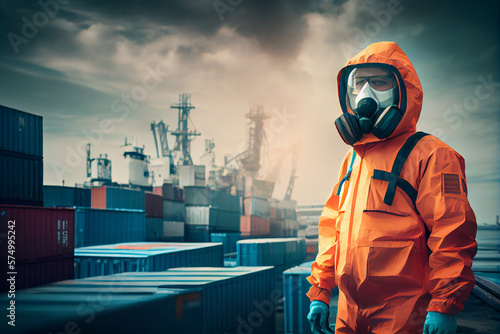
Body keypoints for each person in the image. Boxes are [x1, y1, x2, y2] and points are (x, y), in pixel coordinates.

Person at [306, 41, 477, 334]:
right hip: (349, 312)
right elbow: (332, 230)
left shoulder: (431, 154)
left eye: (379, 82)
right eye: (359, 83)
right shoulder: (352, 160)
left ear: (402, 89)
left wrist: (444, 304)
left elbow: (451, 231)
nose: (366, 93)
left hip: (406, 312)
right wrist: (320, 292)